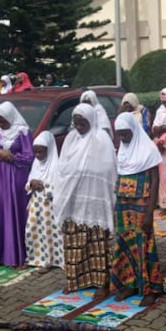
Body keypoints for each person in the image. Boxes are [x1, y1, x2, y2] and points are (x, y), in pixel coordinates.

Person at [53, 104, 117, 297]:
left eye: (83, 122)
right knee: (74, 243)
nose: (79, 126)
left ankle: (101, 284)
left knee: (97, 244)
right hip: (73, 200)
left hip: (95, 200)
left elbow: (108, 169)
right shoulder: (70, 139)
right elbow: (62, 167)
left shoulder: (101, 139)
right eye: (76, 122)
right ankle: (75, 280)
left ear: (91, 120)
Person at [110, 113, 163, 306]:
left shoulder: (148, 148)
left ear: (134, 129)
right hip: (124, 204)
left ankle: (151, 288)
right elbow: (120, 175)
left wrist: (150, 211)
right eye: (120, 134)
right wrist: (116, 204)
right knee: (125, 243)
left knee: (145, 243)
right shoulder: (122, 150)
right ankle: (130, 283)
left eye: (126, 134)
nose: (123, 138)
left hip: (142, 204)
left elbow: (155, 181)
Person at [0, 102, 33, 269]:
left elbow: (28, 157)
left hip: (17, 175)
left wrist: (11, 157)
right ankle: (1, 254)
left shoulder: (23, 132)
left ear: (10, 117)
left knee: (17, 212)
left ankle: (20, 256)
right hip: (1, 176)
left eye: (3, 121)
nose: (1, 125)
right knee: (2, 211)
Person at [24, 131, 63, 273]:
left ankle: (48, 260)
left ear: (49, 149)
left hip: (49, 206)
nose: (38, 155)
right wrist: (32, 183)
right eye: (36, 152)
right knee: (32, 229)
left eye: (41, 152)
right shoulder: (36, 163)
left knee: (48, 233)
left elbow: (59, 187)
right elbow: (28, 182)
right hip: (36, 203)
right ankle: (35, 257)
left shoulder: (56, 166)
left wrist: (45, 187)